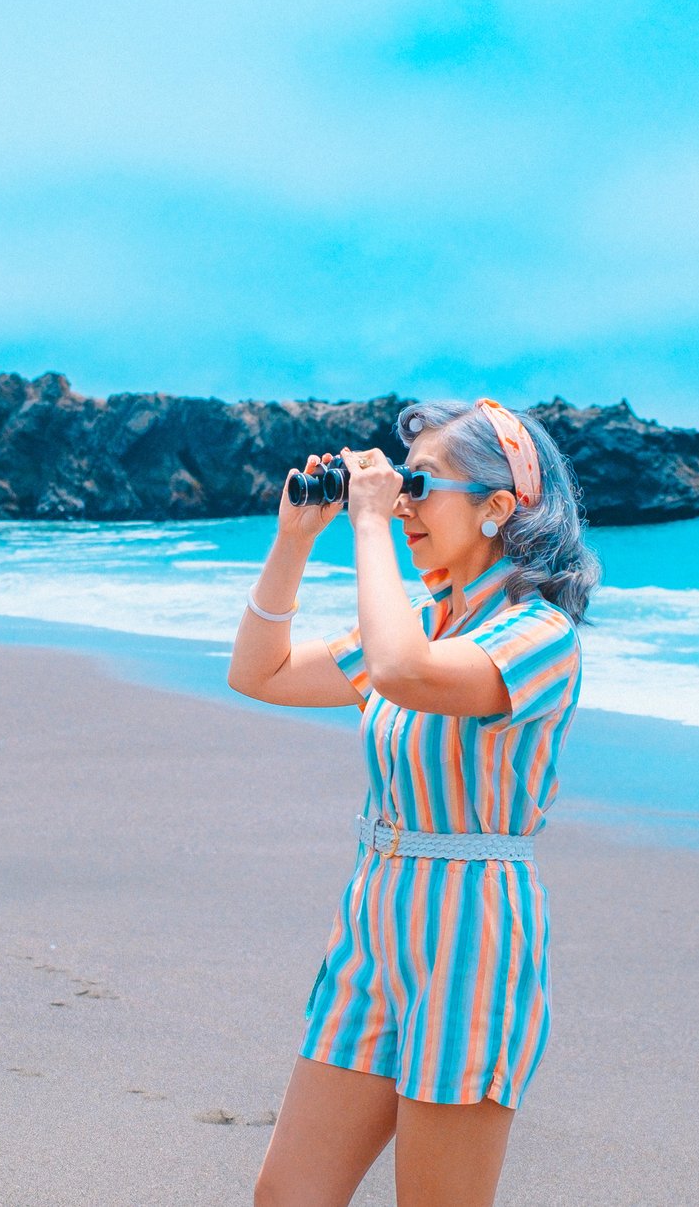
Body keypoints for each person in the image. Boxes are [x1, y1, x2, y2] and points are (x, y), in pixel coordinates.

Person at [227, 397, 601, 1207]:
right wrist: (295, 541)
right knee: (287, 1196)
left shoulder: (539, 637)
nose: (402, 504)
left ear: (498, 507)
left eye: (422, 484)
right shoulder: (423, 621)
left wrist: (366, 529)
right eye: (401, 486)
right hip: (374, 925)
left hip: (471, 930)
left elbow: (403, 674)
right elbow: (259, 672)